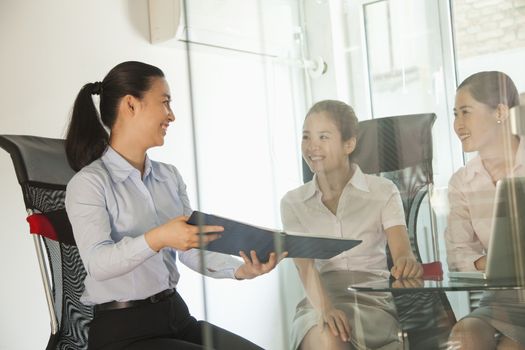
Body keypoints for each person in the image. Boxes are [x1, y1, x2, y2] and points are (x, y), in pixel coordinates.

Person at [64, 61, 282, 350]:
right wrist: (158, 238)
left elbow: (189, 251)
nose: (172, 115)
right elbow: (97, 263)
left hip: (176, 317)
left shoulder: (168, 176)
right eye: (165, 102)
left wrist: (239, 270)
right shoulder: (89, 183)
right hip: (123, 332)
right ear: (131, 105)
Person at [280, 100, 423, 350]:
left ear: (349, 144)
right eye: (306, 137)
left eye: (323, 137)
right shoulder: (293, 202)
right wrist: (326, 308)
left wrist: (406, 265)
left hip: (372, 302)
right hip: (320, 300)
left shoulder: (383, 191)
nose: (312, 146)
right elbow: (305, 268)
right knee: (328, 337)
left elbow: (402, 253)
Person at [445, 71, 525, 349]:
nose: (457, 125)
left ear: (500, 112)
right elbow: (457, 255)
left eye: (465, 112)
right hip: (500, 302)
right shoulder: (462, 182)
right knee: (463, 338)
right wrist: (497, 266)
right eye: (455, 114)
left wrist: (491, 263)